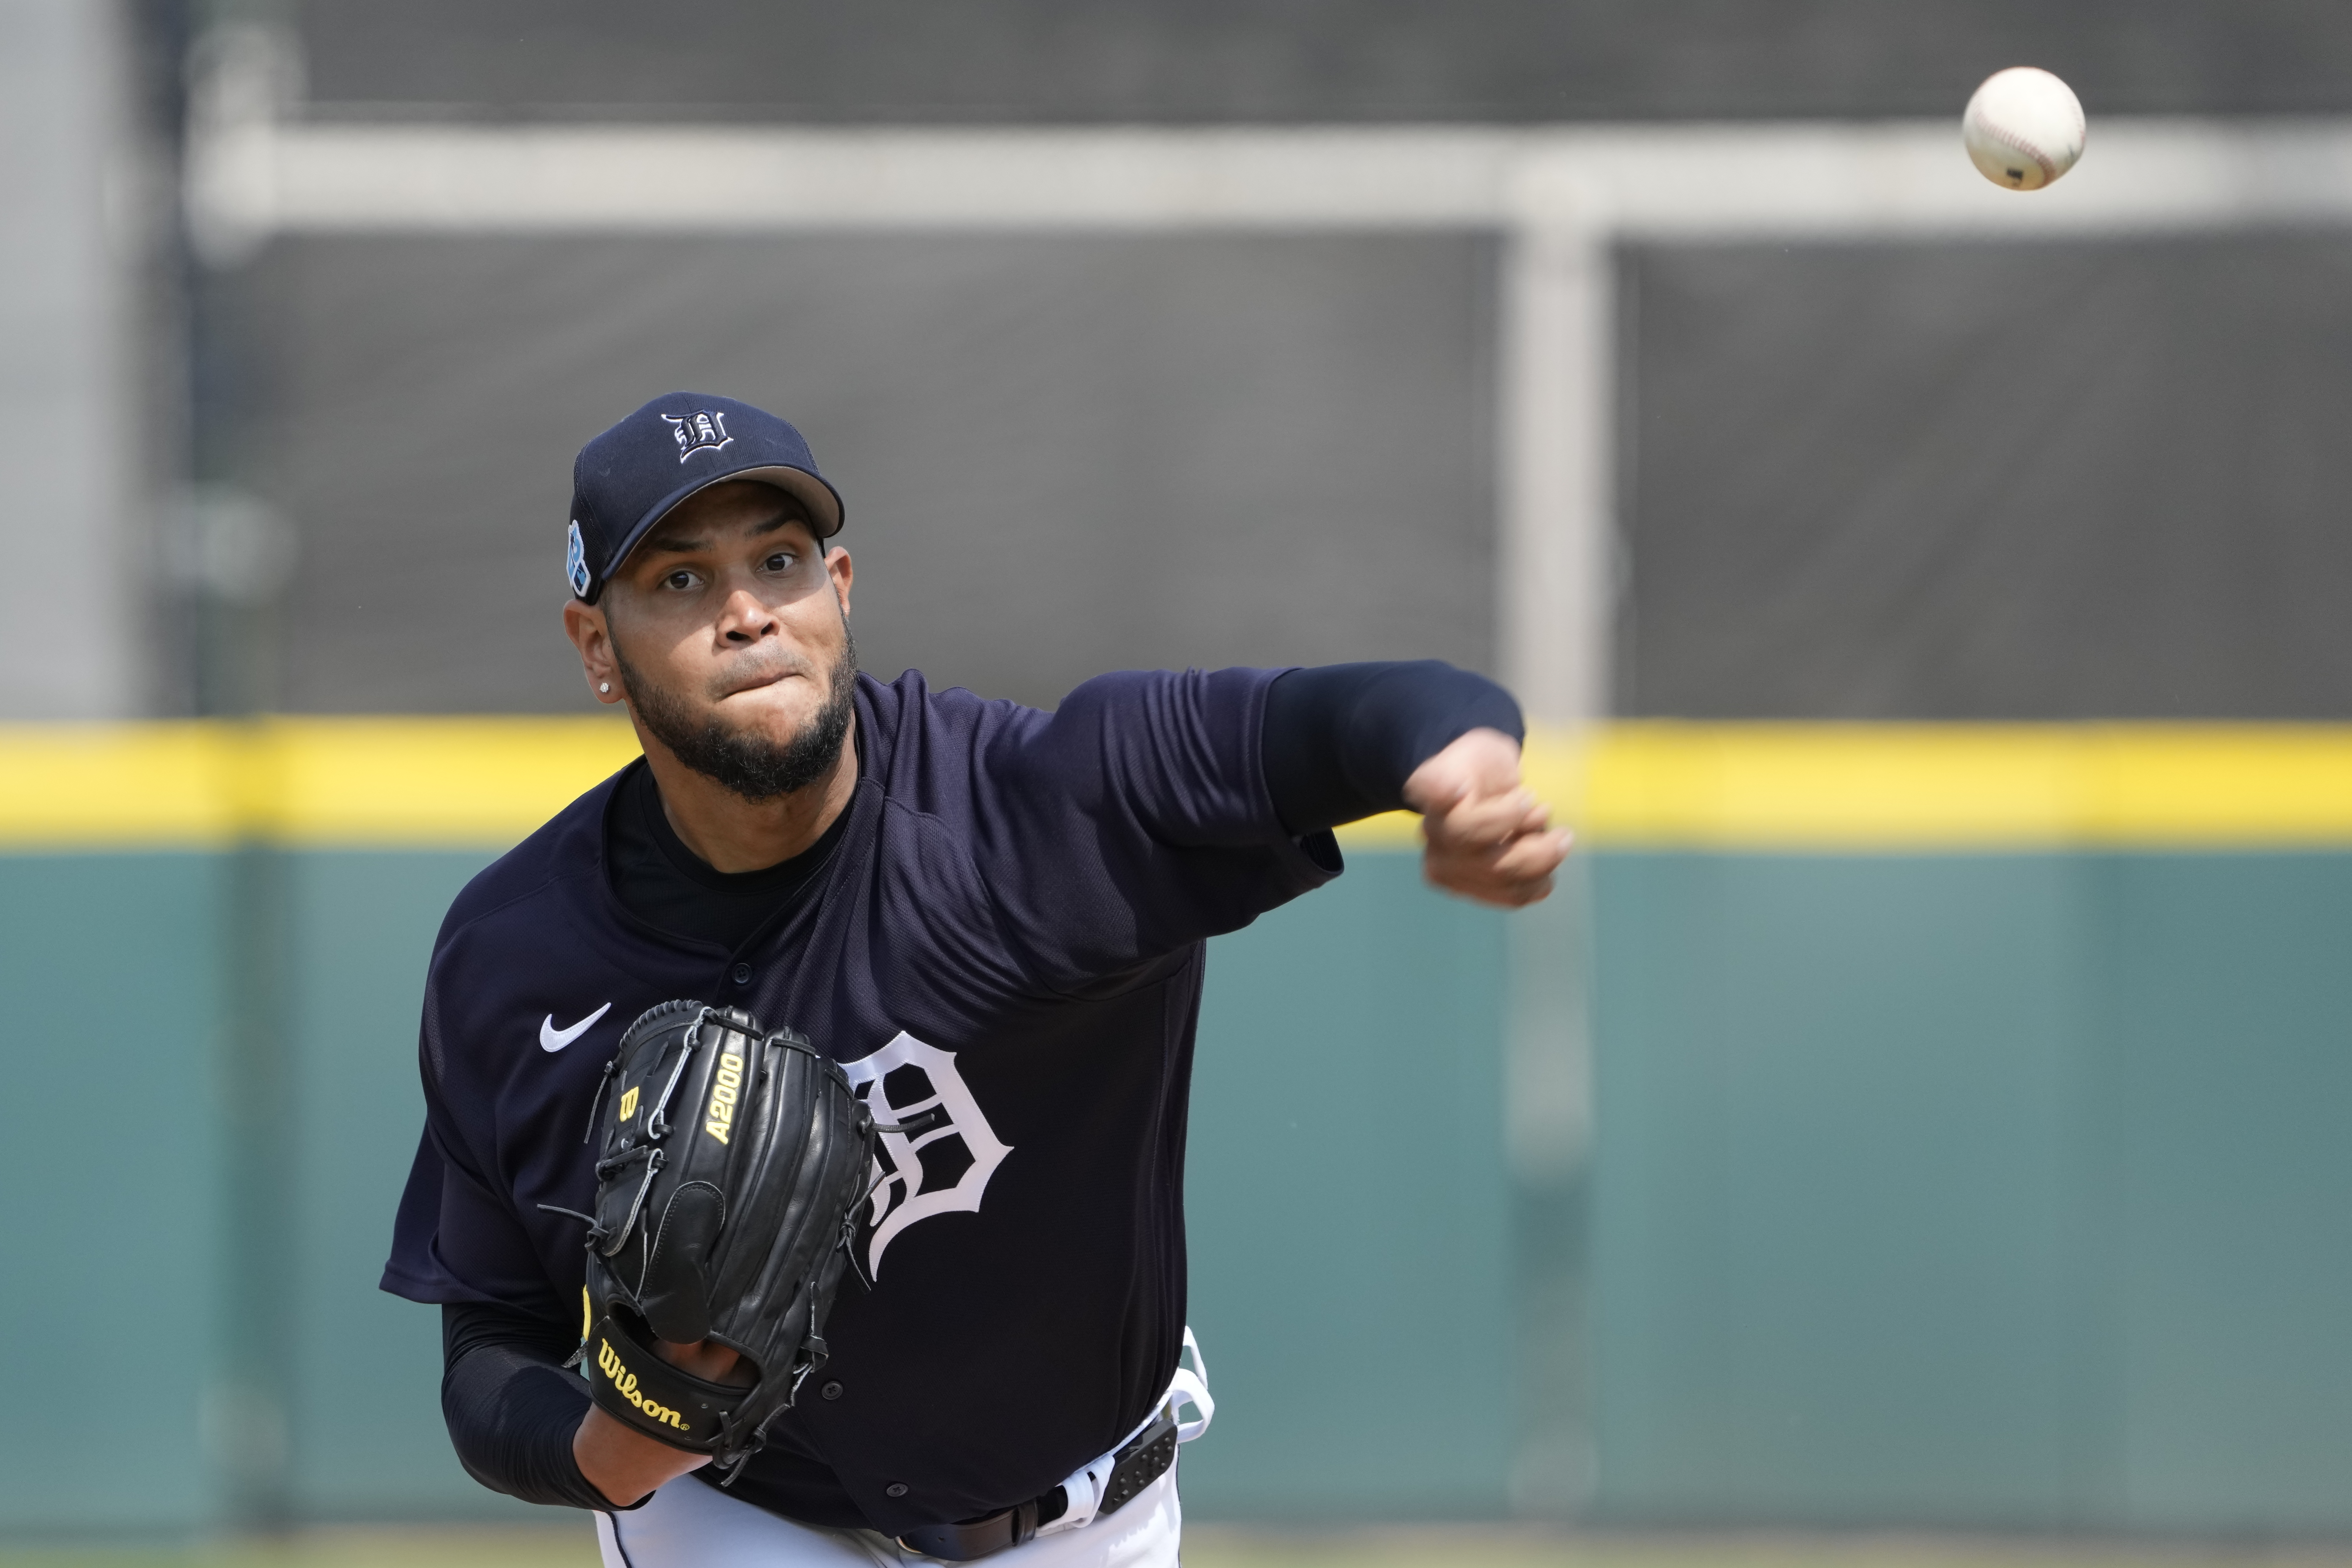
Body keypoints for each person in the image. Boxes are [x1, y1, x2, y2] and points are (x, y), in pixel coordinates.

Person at [381, 392, 1570, 1566]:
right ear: (599, 647)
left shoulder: (1036, 807)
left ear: (838, 592)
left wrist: (1463, 775)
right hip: (739, 1520)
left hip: (1084, 1520)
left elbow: (1367, 712)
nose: (747, 613)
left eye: (780, 560)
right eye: (680, 580)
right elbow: (489, 1338)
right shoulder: (515, 954)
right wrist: (601, 1452)